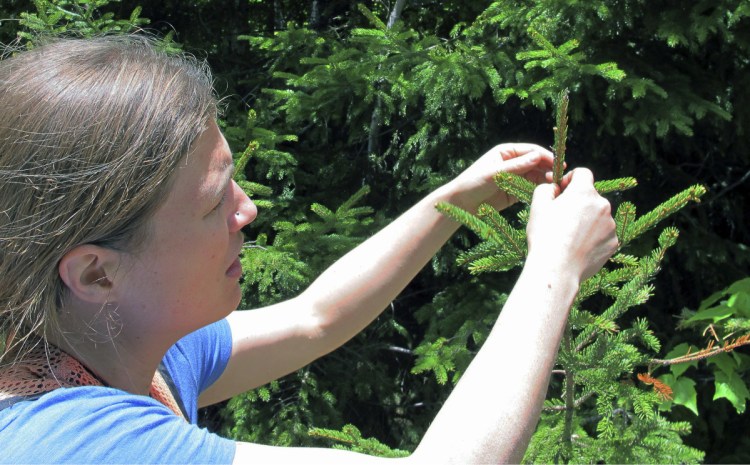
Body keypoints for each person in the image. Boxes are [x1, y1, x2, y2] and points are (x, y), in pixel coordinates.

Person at [0, 35, 618, 464]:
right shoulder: (68, 442)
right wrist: (555, 271)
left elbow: (314, 317)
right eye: (215, 201)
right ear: (96, 272)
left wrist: (454, 201)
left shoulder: (117, 342)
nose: (248, 210)